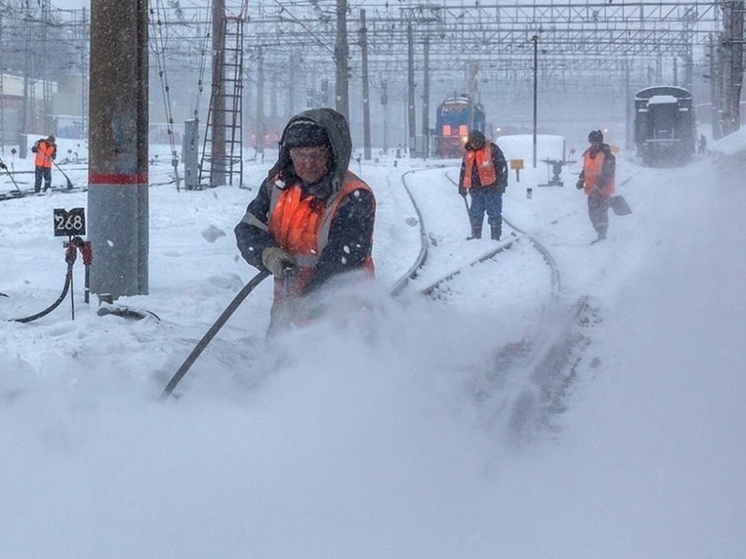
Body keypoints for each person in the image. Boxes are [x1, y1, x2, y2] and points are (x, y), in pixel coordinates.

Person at [234, 108, 376, 335]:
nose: (307, 163)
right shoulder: (276, 187)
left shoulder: (353, 196)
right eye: (299, 155)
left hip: (345, 321)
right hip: (286, 318)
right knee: (281, 368)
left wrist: (310, 301)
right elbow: (248, 228)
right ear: (288, 153)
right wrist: (266, 253)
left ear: (333, 153)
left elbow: (344, 259)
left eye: (316, 155)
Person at [458, 130, 508, 240]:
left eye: (477, 141)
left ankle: (495, 236)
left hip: (493, 187)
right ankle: (476, 235)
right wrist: (462, 187)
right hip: (476, 189)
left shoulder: (492, 149)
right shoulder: (468, 153)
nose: (475, 144)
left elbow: (502, 167)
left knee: (494, 212)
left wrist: (502, 184)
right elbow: (464, 170)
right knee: (476, 212)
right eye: (473, 142)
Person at [576, 129, 616, 245]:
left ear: (600, 142)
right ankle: (599, 232)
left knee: (602, 212)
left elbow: (609, 174)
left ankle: (602, 235)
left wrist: (598, 186)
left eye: (596, 142)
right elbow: (586, 169)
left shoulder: (608, 156)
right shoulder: (588, 154)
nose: (593, 144)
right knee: (592, 213)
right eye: (592, 142)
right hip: (591, 191)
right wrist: (581, 179)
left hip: (603, 191)